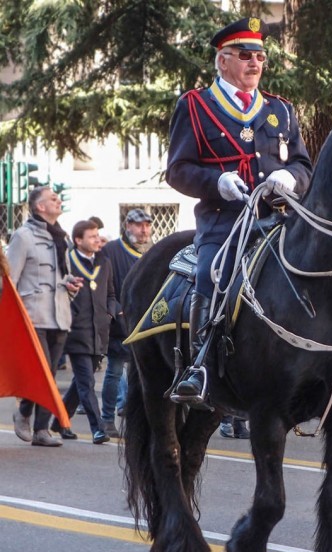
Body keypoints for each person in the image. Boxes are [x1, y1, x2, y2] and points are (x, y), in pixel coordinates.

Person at [165, 17, 314, 405]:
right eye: (245, 55)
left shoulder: (280, 110)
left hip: (280, 219)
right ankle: (199, 366)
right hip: (225, 222)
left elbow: (303, 165)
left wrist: (291, 178)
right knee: (211, 274)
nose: (254, 63)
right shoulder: (195, 106)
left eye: (260, 56)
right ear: (223, 60)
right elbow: (177, 171)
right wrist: (217, 182)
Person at [7, 186, 81, 447]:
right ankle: (30, 418)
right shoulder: (23, 236)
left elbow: (62, 275)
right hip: (32, 316)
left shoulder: (61, 237)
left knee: (47, 373)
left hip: (60, 315)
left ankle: (38, 428)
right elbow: (8, 280)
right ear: (39, 206)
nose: (57, 200)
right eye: (52, 198)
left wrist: (71, 283)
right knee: (44, 372)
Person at [52, 220, 116, 444]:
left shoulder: (104, 263)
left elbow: (110, 294)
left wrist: (110, 313)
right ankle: (98, 428)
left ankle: (59, 421)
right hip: (76, 331)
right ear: (78, 240)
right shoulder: (67, 262)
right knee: (86, 380)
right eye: (91, 236)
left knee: (80, 382)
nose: (97, 239)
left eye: (97, 235)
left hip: (99, 332)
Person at [99, 208, 153, 435]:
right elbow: (105, 286)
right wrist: (115, 311)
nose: (144, 230)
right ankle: (106, 419)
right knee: (114, 371)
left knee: (144, 375)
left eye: (147, 225)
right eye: (139, 225)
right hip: (121, 324)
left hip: (148, 324)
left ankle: (137, 419)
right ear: (128, 225)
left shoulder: (154, 251)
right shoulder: (112, 250)